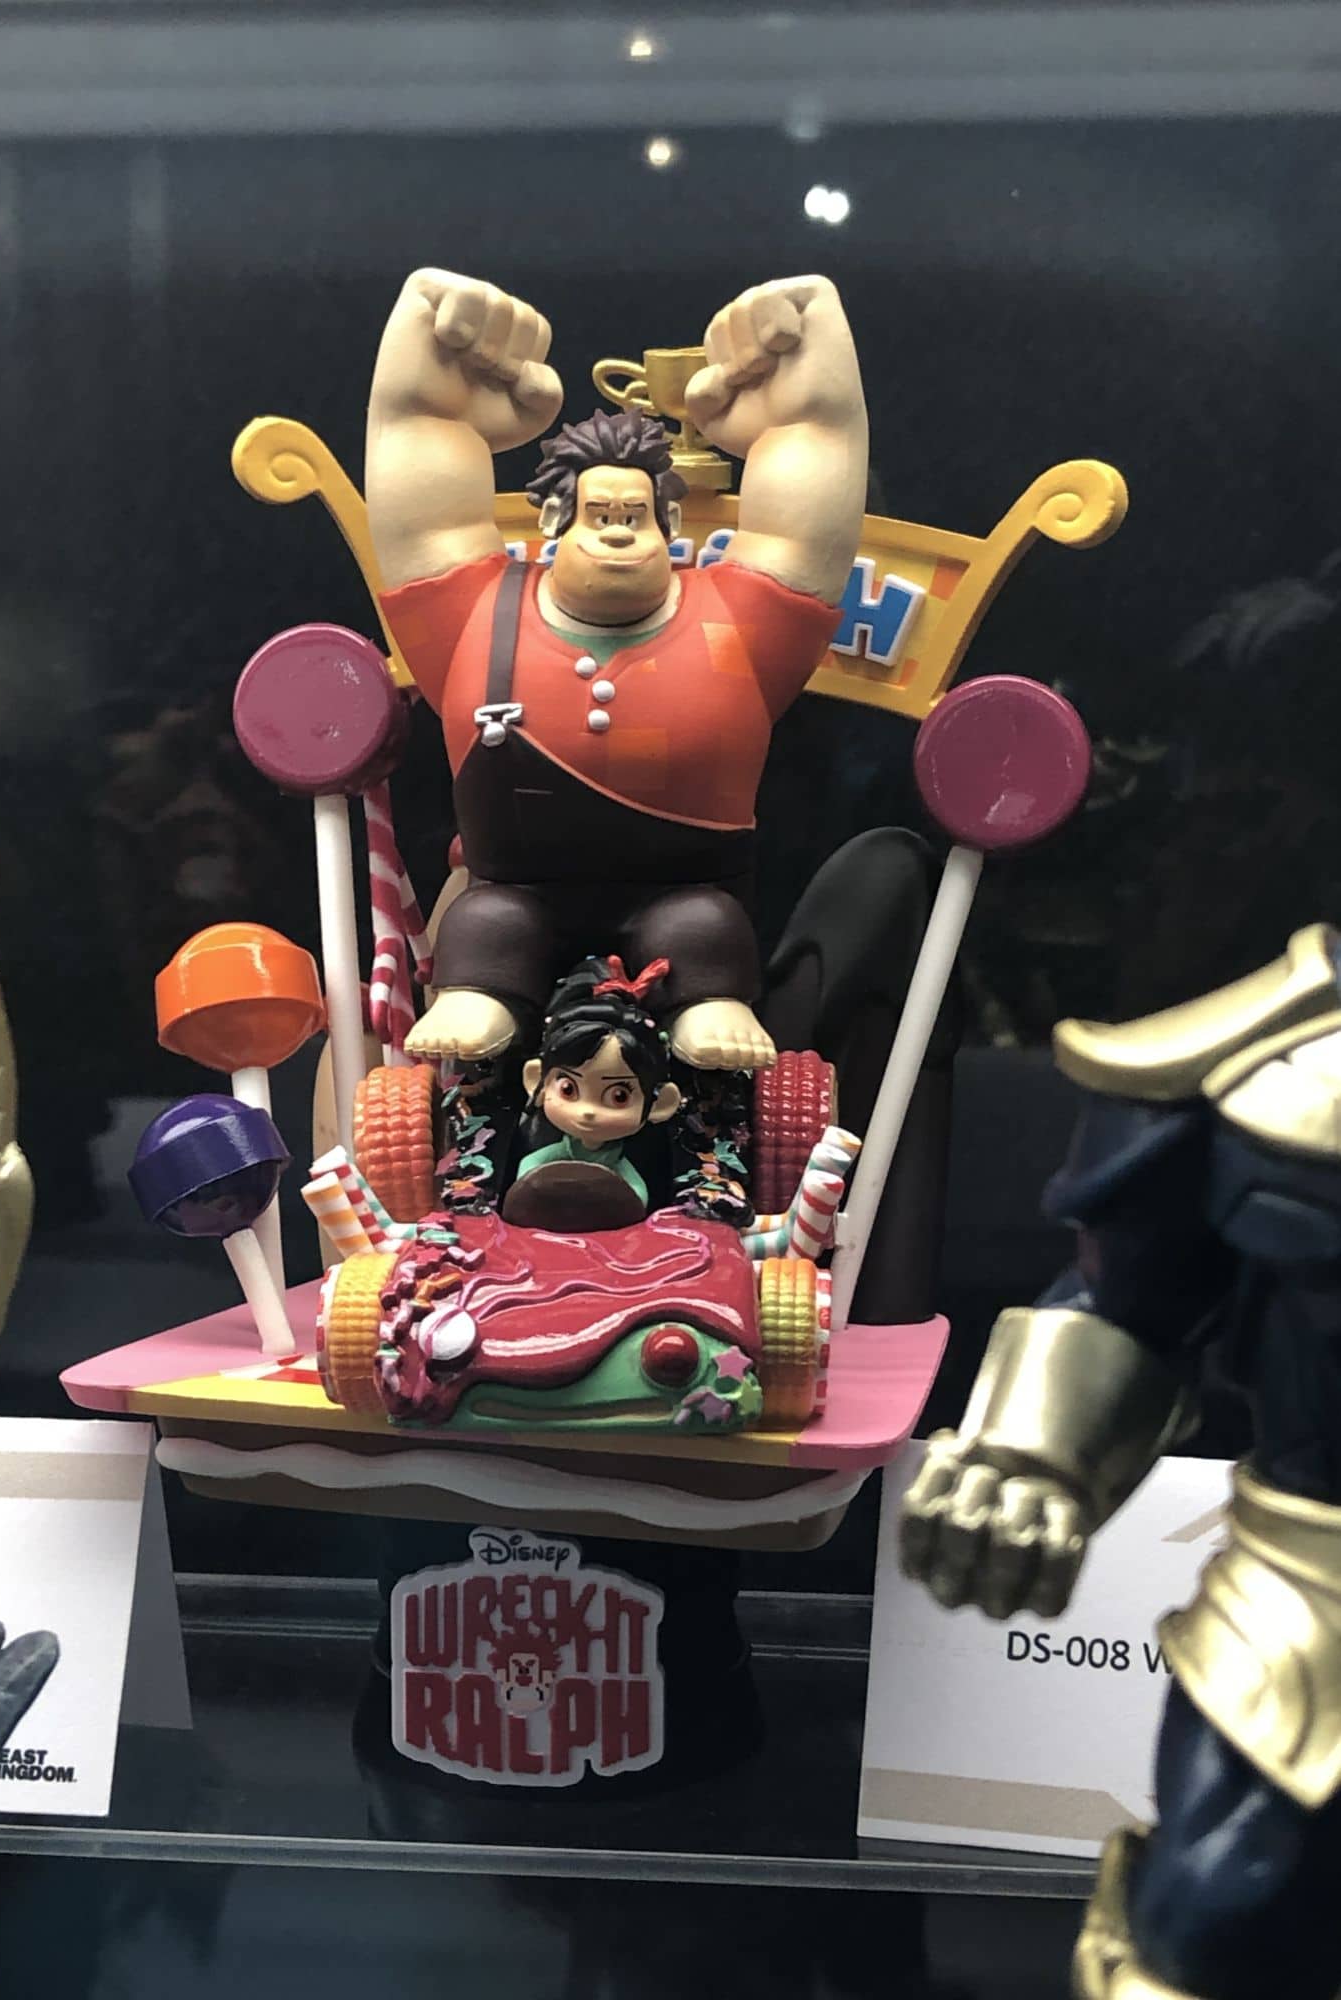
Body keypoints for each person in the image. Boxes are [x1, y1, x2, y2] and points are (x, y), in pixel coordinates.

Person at [899, 921, 1341, 2000]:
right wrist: (1032, 1455)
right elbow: (1133, 1298)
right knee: (1218, 1922)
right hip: (1310, 1617)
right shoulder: (1280, 1054)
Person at [366, 266, 868, 1075]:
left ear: (669, 521)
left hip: (687, 902)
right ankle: (483, 992)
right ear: (555, 518)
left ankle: (707, 1000)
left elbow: (806, 532)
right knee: (485, 930)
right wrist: (432, 406)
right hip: (516, 899)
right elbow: (422, 514)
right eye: (599, 514)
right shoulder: (480, 616)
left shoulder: (731, 622)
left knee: (706, 932)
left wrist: (805, 413)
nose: (617, 531)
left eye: (635, 516)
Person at [516, 955, 682, 1212]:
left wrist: (628, 1206)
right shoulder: (551, 1150)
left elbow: (636, 1192)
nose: (588, 1112)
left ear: (660, 1104)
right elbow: (529, 1166)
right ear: (537, 1081)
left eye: (619, 1096)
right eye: (568, 1090)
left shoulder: (624, 1162)